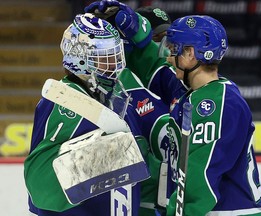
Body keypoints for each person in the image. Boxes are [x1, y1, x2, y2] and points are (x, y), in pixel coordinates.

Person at [85, 1, 261, 215]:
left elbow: (199, 181)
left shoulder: (215, 104)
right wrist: (135, 31)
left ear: (190, 54)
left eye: (174, 49)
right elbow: (157, 69)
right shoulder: (198, 94)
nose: (169, 56)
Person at [24, 12, 172, 216]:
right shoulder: (66, 103)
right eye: (105, 59)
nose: (115, 66)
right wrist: (112, 154)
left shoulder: (115, 96)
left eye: (116, 56)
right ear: (80, 59)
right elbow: (41, 189)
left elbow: (137, 161)